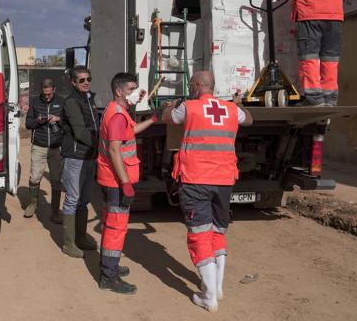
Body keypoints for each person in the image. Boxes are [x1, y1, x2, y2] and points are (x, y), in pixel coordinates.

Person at [163, 71, 252, 313]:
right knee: (217, 231)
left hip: (195, 179)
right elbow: (249, 120)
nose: (191, 88)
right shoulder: (230, 110)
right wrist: (237, 104)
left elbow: (166, 118)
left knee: (199, 234)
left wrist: (173, 104)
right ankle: (218, 287)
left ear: (196, 86)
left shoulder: (189, 108)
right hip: (224, 179)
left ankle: (209, 296)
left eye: (192, 85)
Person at [96, 73, 157, 294]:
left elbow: (129, 133)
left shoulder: (117, 111)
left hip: (111, 178)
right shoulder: (117, 115)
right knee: (115, 228)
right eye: (131, 88)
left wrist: (152, 120)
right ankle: (108, 276)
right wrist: (125, 183)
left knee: (112, 225)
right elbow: (114, 149)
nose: (135, 92)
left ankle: (109, 266)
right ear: (119, 91)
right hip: (116, 180)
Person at [60, 66, 99, 258]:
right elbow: (81, 132)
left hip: (90, 156)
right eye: (82, 80)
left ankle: (81, 237)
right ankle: (69, 243)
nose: (86, 82)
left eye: (88, 79)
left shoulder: (90, 99)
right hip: (75, 157)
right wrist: (104, 145)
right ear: (73, 82)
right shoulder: (71, 102)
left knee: (84, 200)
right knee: (72, 200)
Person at [23, 78, 65, 223]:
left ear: (54, 89)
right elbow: (28, 124)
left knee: (56, 180)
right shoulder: (35, 102)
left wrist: (59, 119)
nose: (47, 97)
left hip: (56, 147)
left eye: (49, 94)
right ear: (42, 90)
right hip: (39, 146)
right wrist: (38, 121)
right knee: (34, 177)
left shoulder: (62, 101)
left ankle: (55, 212)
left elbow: (69, 123)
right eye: (44, 94)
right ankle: (33, 203)